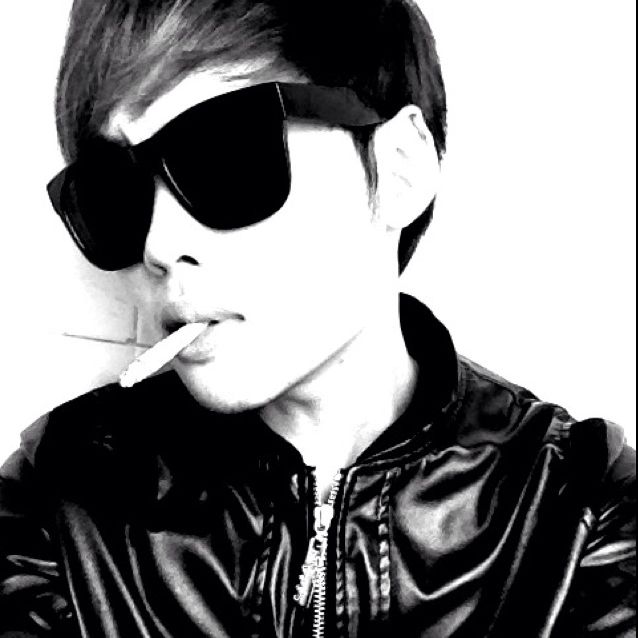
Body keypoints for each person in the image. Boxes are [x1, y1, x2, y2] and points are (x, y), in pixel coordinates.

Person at [0, 0, 635, 636]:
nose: (158, 246)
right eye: (115, 193)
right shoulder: (59, 503)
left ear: (399, 168)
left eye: (222, 157)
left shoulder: (580, 515)